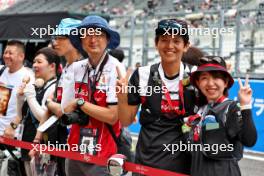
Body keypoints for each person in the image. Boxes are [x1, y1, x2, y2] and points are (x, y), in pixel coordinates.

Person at [117, 18, 195, 174]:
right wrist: (122, 96)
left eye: (176, 41)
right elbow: (125, 121)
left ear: (186, 46)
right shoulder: (142, 74)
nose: (170, 46)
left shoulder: (196, 76)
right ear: (156, 43)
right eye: (164, 40)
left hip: (184, 163)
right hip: (146, 162)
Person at [63, 15, 126, 176]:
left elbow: (112, 116)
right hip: (75, 149)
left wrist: (80, 102)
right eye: (87, 34)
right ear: (81, 41)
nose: (93, 39)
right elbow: (65, 108)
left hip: (103, 153)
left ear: (107, 39)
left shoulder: (115, 68)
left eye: (98, 34)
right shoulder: (76, 68)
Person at [189, 56, 257, 176]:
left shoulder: (230, 108)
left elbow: (249, 140)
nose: (210, 83)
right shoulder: (199, 109)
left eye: (216, 77)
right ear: (198, 83)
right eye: (204, 78)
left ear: (225, 82)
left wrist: (245, 105)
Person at [4, 47, 60, 176]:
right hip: (26, 141)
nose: (34, 65)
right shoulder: (37, 86)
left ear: (52, 66)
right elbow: (21, 115)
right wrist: (20, 98)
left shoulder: (54, 87)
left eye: (39, 62)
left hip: (43, 145)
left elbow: (44, 119)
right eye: (34, 62)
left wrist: (30, 96)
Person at [0, 40, 34, 136]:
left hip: (10, 134)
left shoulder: (28, 77)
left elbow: (28, 109)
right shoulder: (1, 70)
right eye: (5, 52)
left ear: (21, 56)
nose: (6, 56)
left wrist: (12, 127)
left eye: (10, 53)